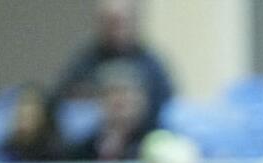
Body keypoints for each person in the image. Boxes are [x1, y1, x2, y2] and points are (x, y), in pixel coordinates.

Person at [53, 0, 174, 132]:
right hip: (94, 140)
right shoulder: (84, 62)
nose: (116, 28)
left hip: (142, 136)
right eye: (110, 21)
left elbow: (167, 103)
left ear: (133, 22)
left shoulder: (151, 64)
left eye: (121, 21)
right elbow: (62, 98)